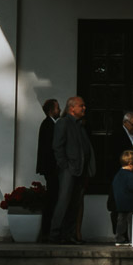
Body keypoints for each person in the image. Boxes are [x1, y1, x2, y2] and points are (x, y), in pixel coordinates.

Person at [49, 95, 95, 244]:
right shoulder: (63, 123)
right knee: (64, 202)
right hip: (69, 170)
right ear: (72, 108)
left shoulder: (79, 125)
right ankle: (55, 235)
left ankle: (68, 234)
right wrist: (65, 165)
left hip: (80, 170)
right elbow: (57, 146)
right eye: (81, 106)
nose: (84, 108)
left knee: (75, 204)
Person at [35, 97, 62, 243]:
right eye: (57, 108)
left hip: (50, 168)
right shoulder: (48, 125)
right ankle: (47, 231)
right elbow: (49, 149)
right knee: (52, 199)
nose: (60, 110)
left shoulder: (49, 124)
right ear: (51, 110)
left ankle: (48, 231)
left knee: (53, 198)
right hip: (51, 168)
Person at [108, 149, 133, 244]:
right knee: (132, 223)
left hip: (120, 205)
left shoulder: (118, 175)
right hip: (130, 204)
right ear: (130, 164)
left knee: (121, 222)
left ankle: (119, 239)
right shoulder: (129, 175)